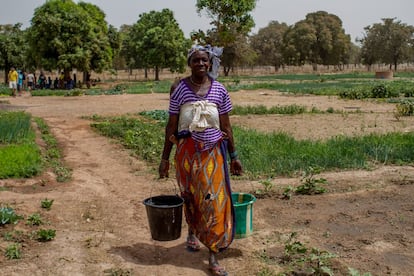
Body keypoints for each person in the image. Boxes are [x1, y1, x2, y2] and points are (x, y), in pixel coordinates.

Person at [159, 45, 242, 276]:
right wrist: (164, 158)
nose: (201, 64)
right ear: (190, 63)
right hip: (187, 154)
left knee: (214, 202)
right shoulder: (180, 89)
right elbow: (171, 125)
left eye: (204, 60)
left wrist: (234, 156)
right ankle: (192, 232)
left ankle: (213, 255)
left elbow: (226, 126)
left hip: (214, 154)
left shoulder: (219, 90)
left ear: (210, 62)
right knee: (190, 196)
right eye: (196, 60)